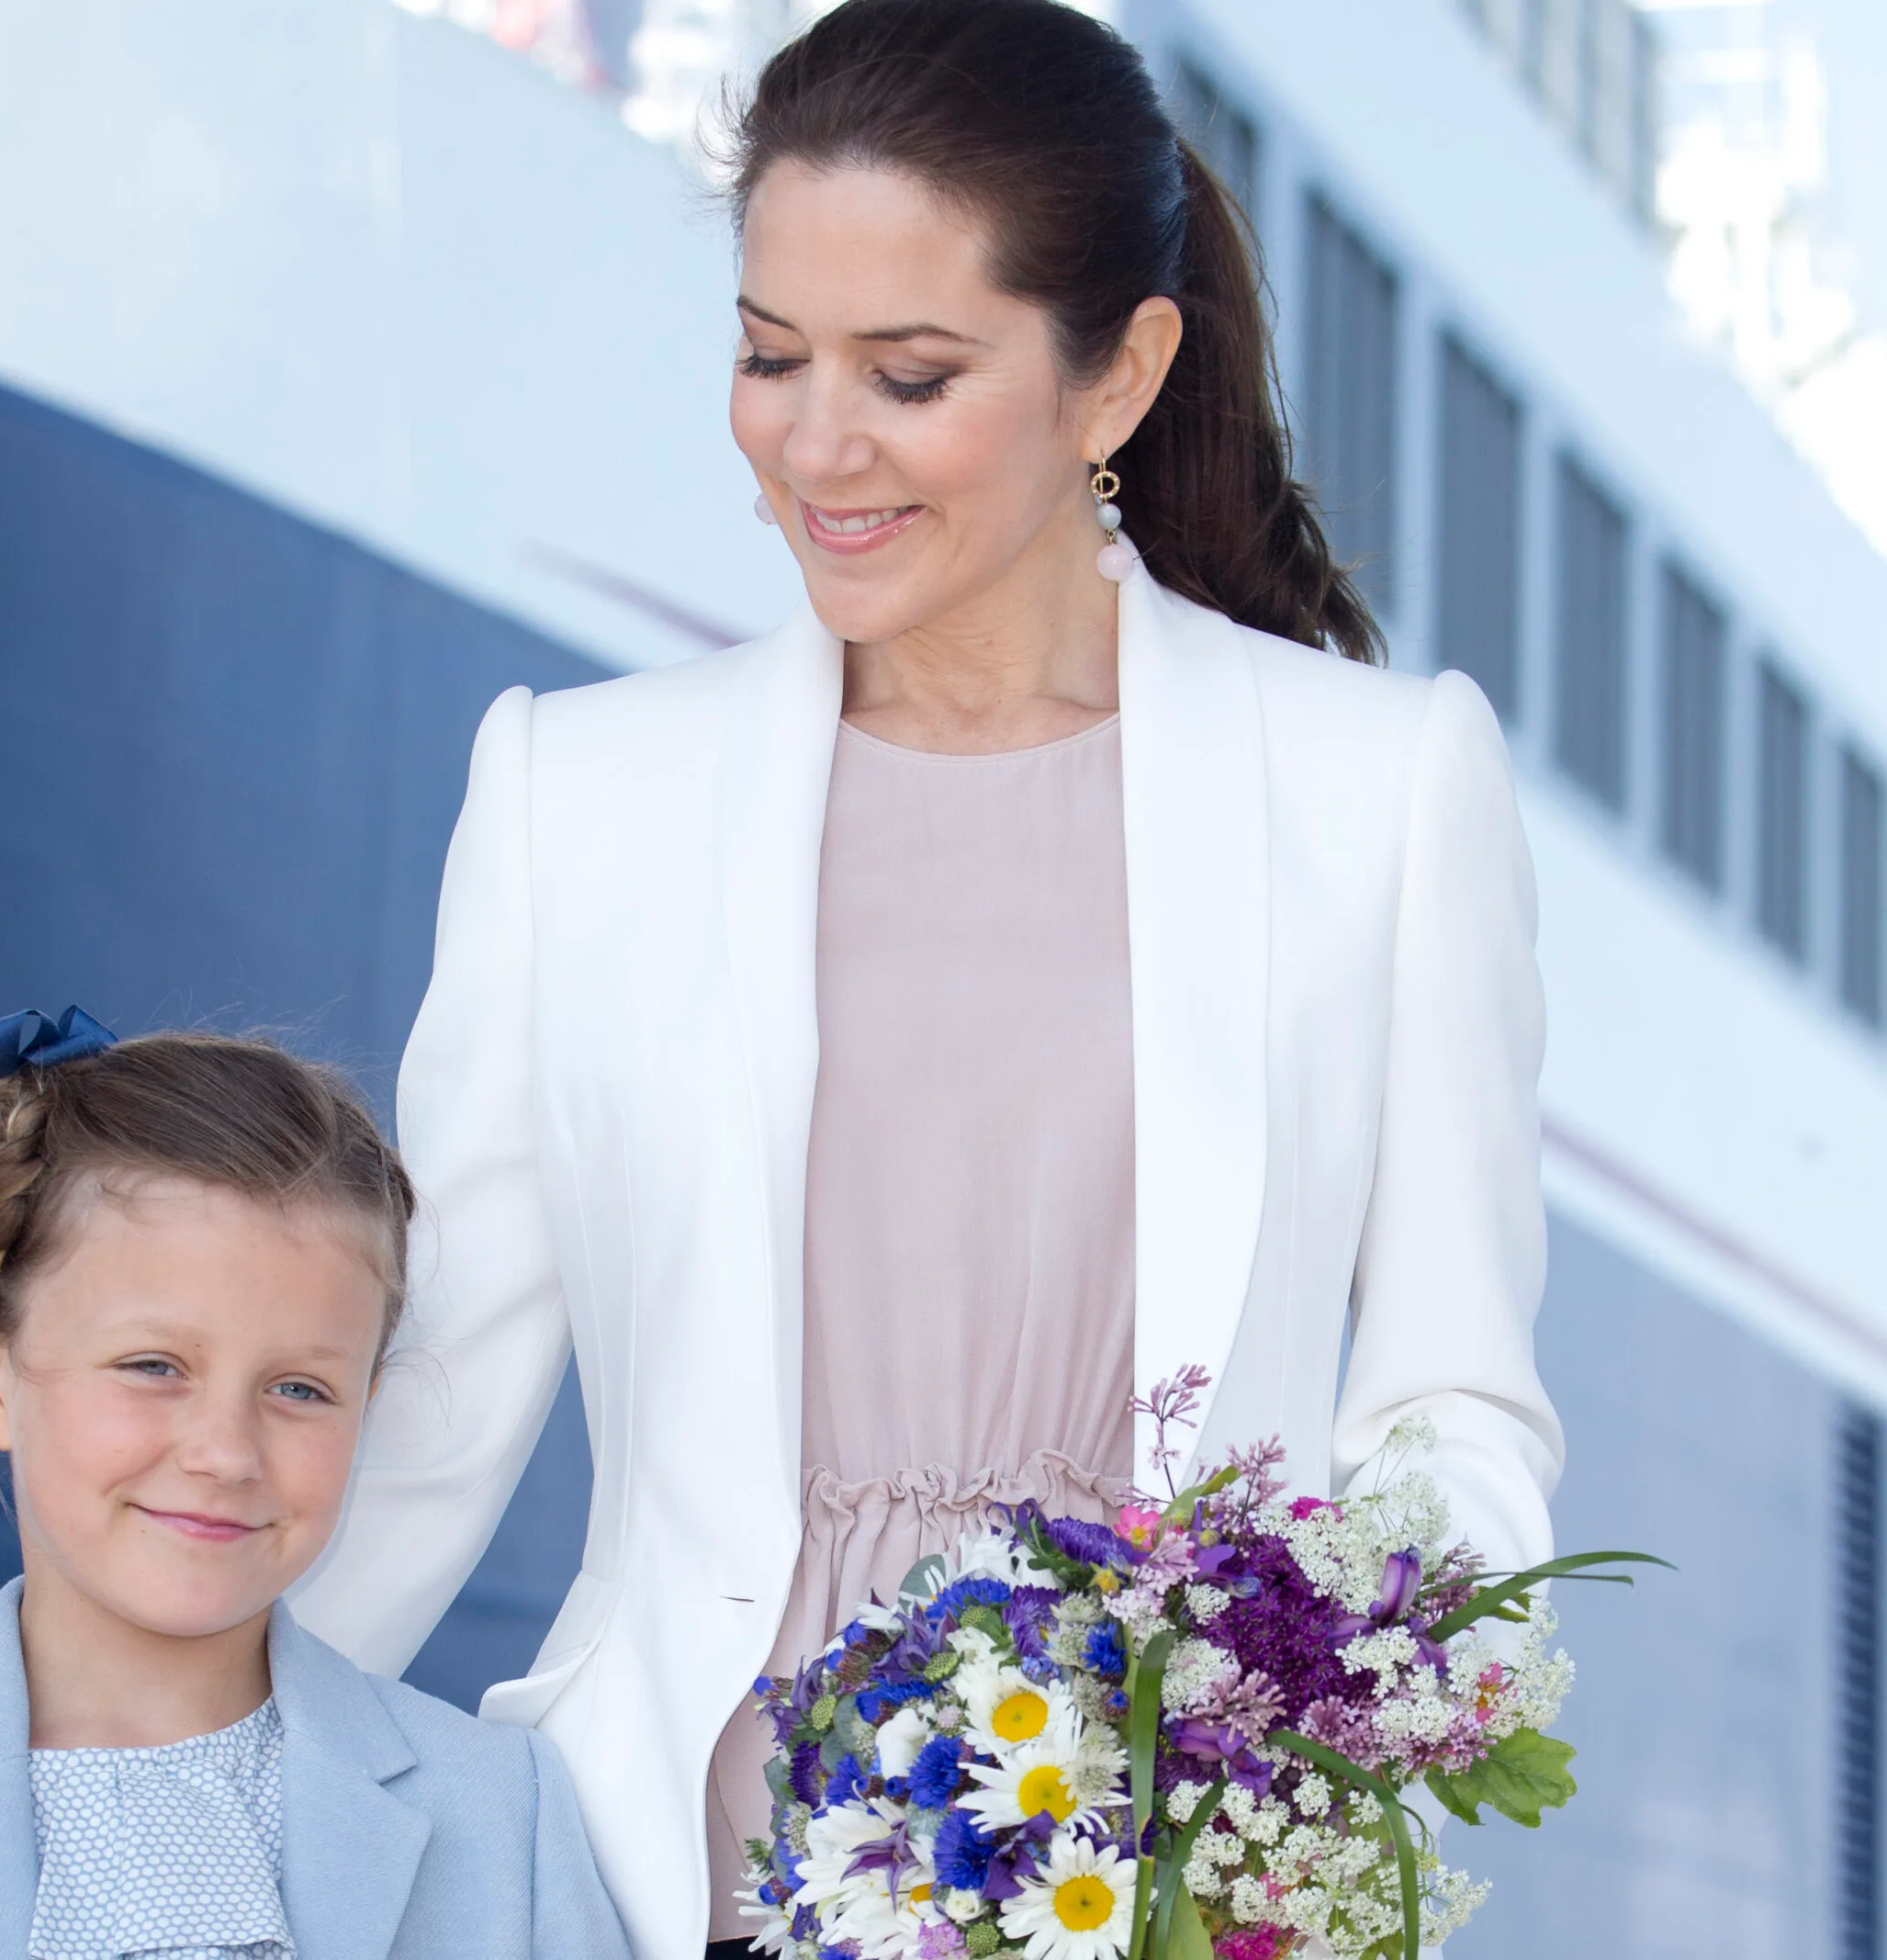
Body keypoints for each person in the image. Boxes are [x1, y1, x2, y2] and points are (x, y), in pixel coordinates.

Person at [297, 1, 1564, 1954]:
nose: (814, 443)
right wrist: (133, 1756)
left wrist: (1282, 1731)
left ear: (1115, 375)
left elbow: (1453, 1410)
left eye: (906, 373)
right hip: (658, 1886)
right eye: (764, 354)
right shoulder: (579, 794)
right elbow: (440, 1391)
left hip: (1150, 1888)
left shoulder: (1383, 790)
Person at [0, 1014, 630, 1960]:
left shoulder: (503, 1814)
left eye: (299, 1388)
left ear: (366, 1404)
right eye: (153, 1365)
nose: (224, 1451)